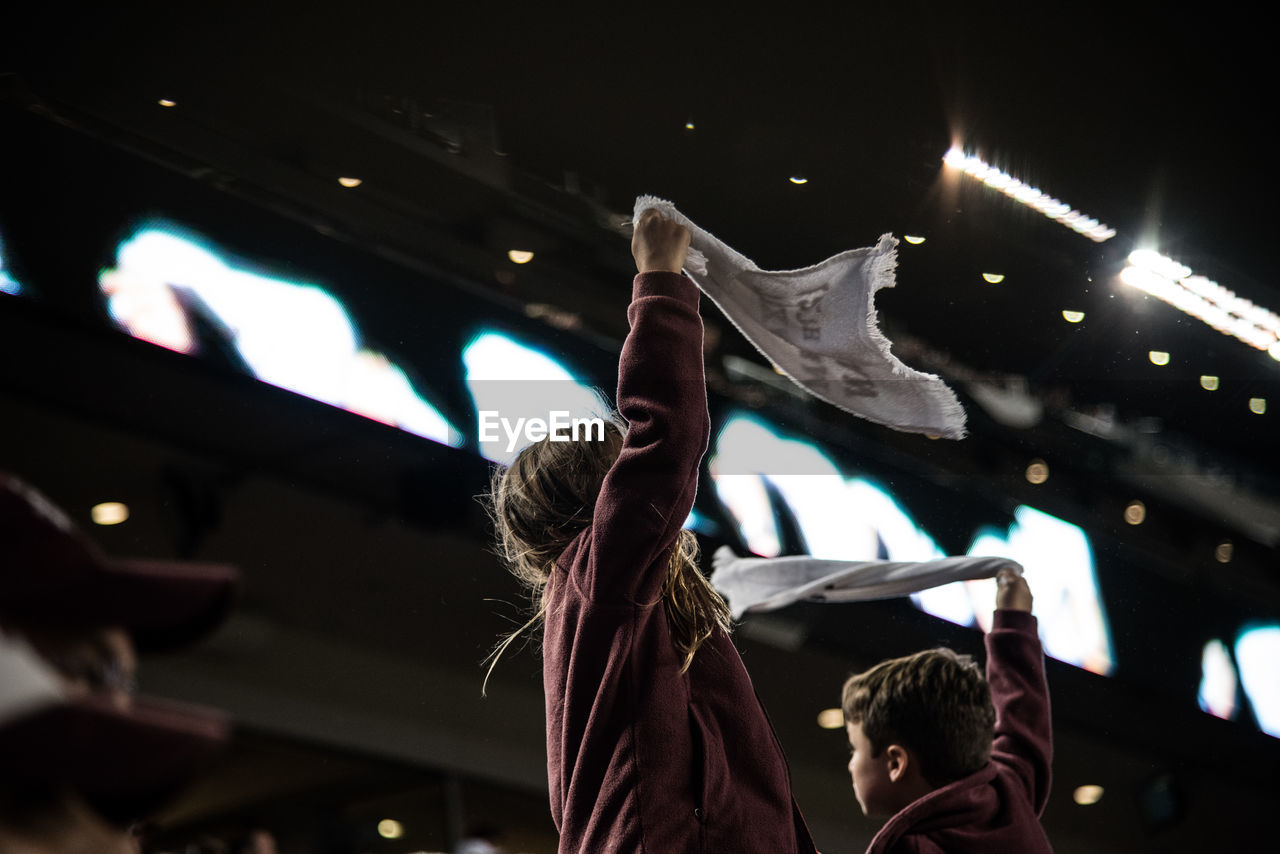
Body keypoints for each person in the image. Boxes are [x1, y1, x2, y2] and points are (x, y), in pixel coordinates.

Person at [489, 210, 816, 852]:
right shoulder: (597, 577)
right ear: (603, 493)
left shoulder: (618, 610)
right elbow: (666, 441)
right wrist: (659, 280)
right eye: (622, 475)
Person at [841, 567, 1053, 853]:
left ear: (895, 763)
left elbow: (1021, 723)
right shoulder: (1006, 797)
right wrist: (1014, 620)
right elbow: (1022, 719)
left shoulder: (911, 848)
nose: (851, 764)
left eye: (856, 748)